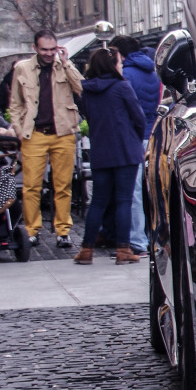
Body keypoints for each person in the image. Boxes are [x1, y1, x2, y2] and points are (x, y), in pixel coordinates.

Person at [72, 47, 146, 265]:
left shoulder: (87, 91)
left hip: (100, 151)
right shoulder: (122, 87)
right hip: (125, 150)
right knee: (123, 200)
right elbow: (139, 118)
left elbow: (89, 117)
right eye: (119, 63)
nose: (121, 66)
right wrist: (134, 138)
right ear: (112, 65)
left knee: (98, 202)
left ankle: (86, 250)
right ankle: (123, 249)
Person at [10, 30, 84, 249]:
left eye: (53, 49)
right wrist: (18, 128)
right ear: (35, 48)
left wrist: (67, 62)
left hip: (63, 133)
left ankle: (63, 231)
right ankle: (32, 230)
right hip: (34, 134)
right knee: (31, 186)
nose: (49, 54)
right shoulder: (22, 68)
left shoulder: (64, 65)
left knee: (63, 186)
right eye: (44, 50)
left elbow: (81, 88)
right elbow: (15, 102)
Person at [111, 34, 161, 255]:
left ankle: (138, 240)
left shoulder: (127, 74)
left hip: (133, 135)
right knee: (149, 188)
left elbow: (125, 107)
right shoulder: (151, 71)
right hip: (150, 132)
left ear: (121, 53)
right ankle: (152, 236)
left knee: (133, 191)